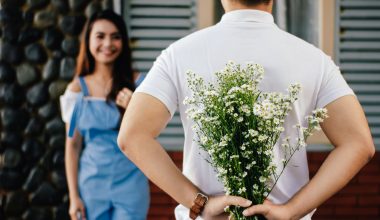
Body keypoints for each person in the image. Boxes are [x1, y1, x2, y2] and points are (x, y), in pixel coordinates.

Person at [117, 0, 375, 219]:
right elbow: (359, 143)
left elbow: (132, 136)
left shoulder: (179, 54)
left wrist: (200, 204)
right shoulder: (314, 60)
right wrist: (291, 211)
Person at [60, 10, 149, 220]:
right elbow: (72, 145)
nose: (108, 44)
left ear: (124, 42)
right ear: (88, 40)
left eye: (115, 36)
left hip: (131, 184)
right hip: (91, 186)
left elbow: (150, 135)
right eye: (100, 36)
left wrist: (134, 108)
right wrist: (74, 197)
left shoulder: (141, 85)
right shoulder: (76, 91)